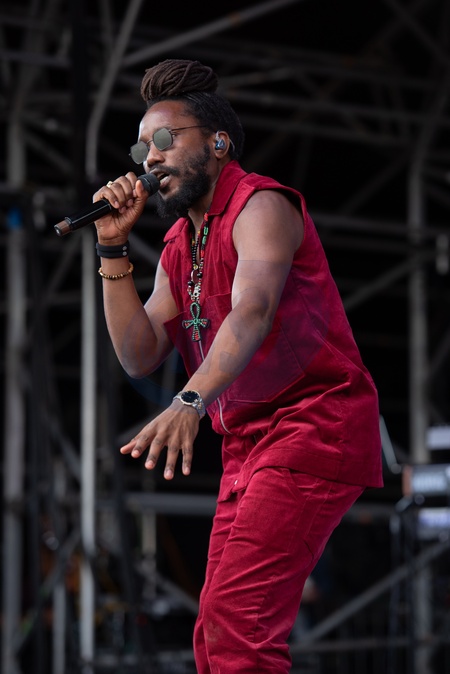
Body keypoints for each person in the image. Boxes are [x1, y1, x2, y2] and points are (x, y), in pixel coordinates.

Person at [92, 58, 383, 673]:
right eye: (141, 147)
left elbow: (252, 312)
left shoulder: (261, 206)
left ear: (218, 142)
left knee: (237, 623)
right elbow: (139, 354)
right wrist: (112, 247)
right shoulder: (179, 245)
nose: (150, 158)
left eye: (165, 139)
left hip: (313, 424)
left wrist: (188, 401)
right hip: (247, 443)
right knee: (214, 632)